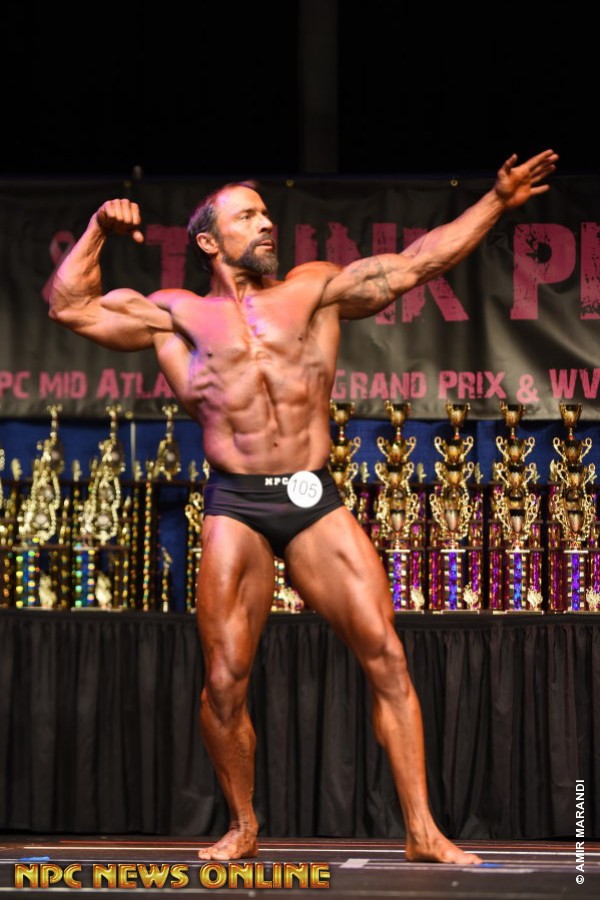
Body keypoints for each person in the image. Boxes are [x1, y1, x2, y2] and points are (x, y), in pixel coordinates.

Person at [48, 149, 558, 864]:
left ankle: (422, 830)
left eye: (266, 212)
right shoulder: (176, 316)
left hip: (311, 495)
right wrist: (100, 229)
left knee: (386, 654)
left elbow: (418, 263)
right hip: (236, 502)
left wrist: (497, 201)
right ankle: (243, 824)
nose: (266, 224)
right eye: (246, 215)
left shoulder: (312, 290)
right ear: (207, 240)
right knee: (224, 680)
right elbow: (68, 305)